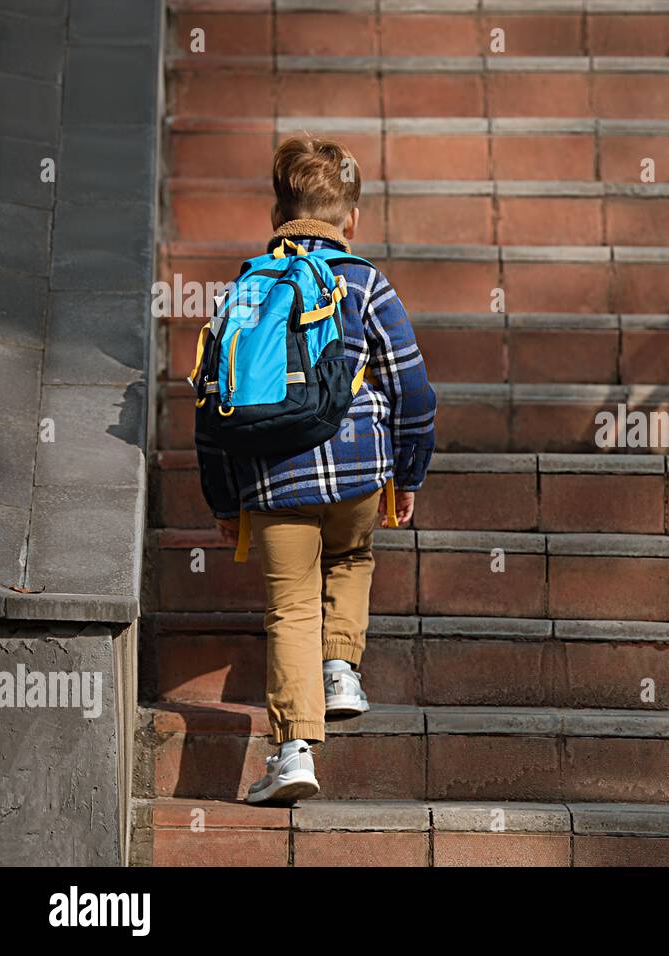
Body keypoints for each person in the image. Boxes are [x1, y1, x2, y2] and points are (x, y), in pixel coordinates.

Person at [195, 136, 437, 804]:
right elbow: (413, 392)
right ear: (351, 221)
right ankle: (341, 668)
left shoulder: (243, 291)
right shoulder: (366, 283)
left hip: (271, 483)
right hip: (359, 470)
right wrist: (408, 474)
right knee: (353, 555)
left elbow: (210, 408)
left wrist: (223, 500)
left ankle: (293, 750)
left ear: (277, 215)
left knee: (290, 608)